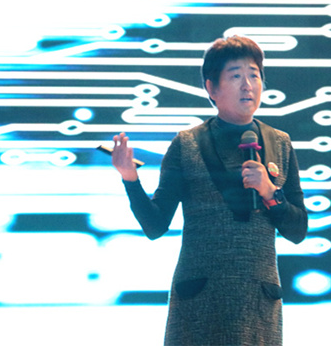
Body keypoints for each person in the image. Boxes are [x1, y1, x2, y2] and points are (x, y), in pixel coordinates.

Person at [111, 35, 308, 346]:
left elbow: (298, 230)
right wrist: (130, 179)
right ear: (211, 88)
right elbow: (155, 225)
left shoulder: (279, 143)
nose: (248, 85)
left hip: (258, 302)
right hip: (201, 302)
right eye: (236, 76)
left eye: (254, 75)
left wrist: (271, 192)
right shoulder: (187, 144)